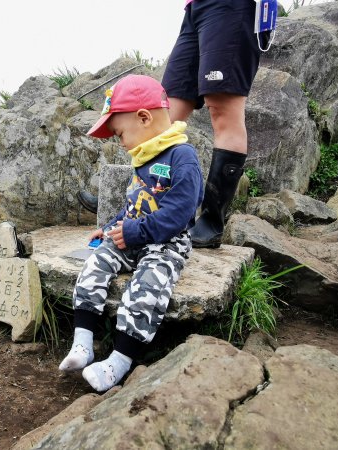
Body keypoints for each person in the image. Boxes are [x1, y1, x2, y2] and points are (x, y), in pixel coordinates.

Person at [79, 0, 264, 248]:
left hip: (232, 6)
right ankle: (134, 204)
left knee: (223, 110)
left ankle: (211, 221)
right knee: (164, 113)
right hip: (194, 8)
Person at [60, 75, 204, 392]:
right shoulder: (143, 158)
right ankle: (83, 342)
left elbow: (179, 214)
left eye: (120, 133)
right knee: (96, 262)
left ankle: (120, 360)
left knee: (151, 284)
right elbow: (133, 206)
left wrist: (135, 231)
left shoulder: (183, 157)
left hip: (165, 241)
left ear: (143, 117)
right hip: (134, 236)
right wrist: (112, 227)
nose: (120, 142)